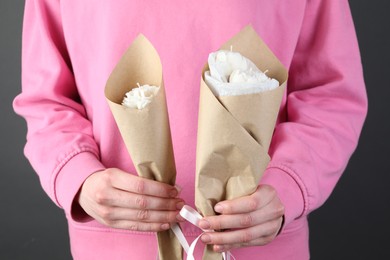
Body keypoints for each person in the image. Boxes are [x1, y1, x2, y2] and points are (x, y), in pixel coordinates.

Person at [13, 0, 367, 259]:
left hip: (258, 243)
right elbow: (47, 99)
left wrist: (288, 187)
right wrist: (81, 179)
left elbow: (330, 92)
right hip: (116, 245)